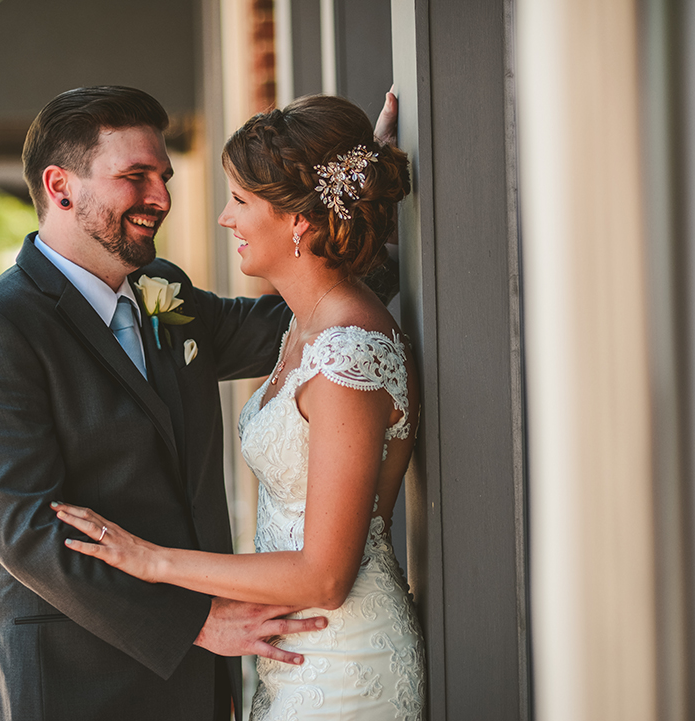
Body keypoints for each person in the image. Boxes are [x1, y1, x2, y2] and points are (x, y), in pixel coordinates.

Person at [0, 86, 334, 721]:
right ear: (60, 185)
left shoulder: (163, 290)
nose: (162, 198)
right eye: (135, 176)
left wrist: (350, 204)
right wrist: (196, 623)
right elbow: (29, 533)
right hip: (77, 685)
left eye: (164, 176)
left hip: (198, 686)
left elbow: (296, 322)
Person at [53, 94, 425, 720]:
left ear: (298, 222)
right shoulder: (302, 329)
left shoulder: (345, 357)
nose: (225, 218)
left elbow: (326, 576)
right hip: (298, 657)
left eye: (242, 201)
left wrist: (154, 561)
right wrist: (357, 181)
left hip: (345, 667)